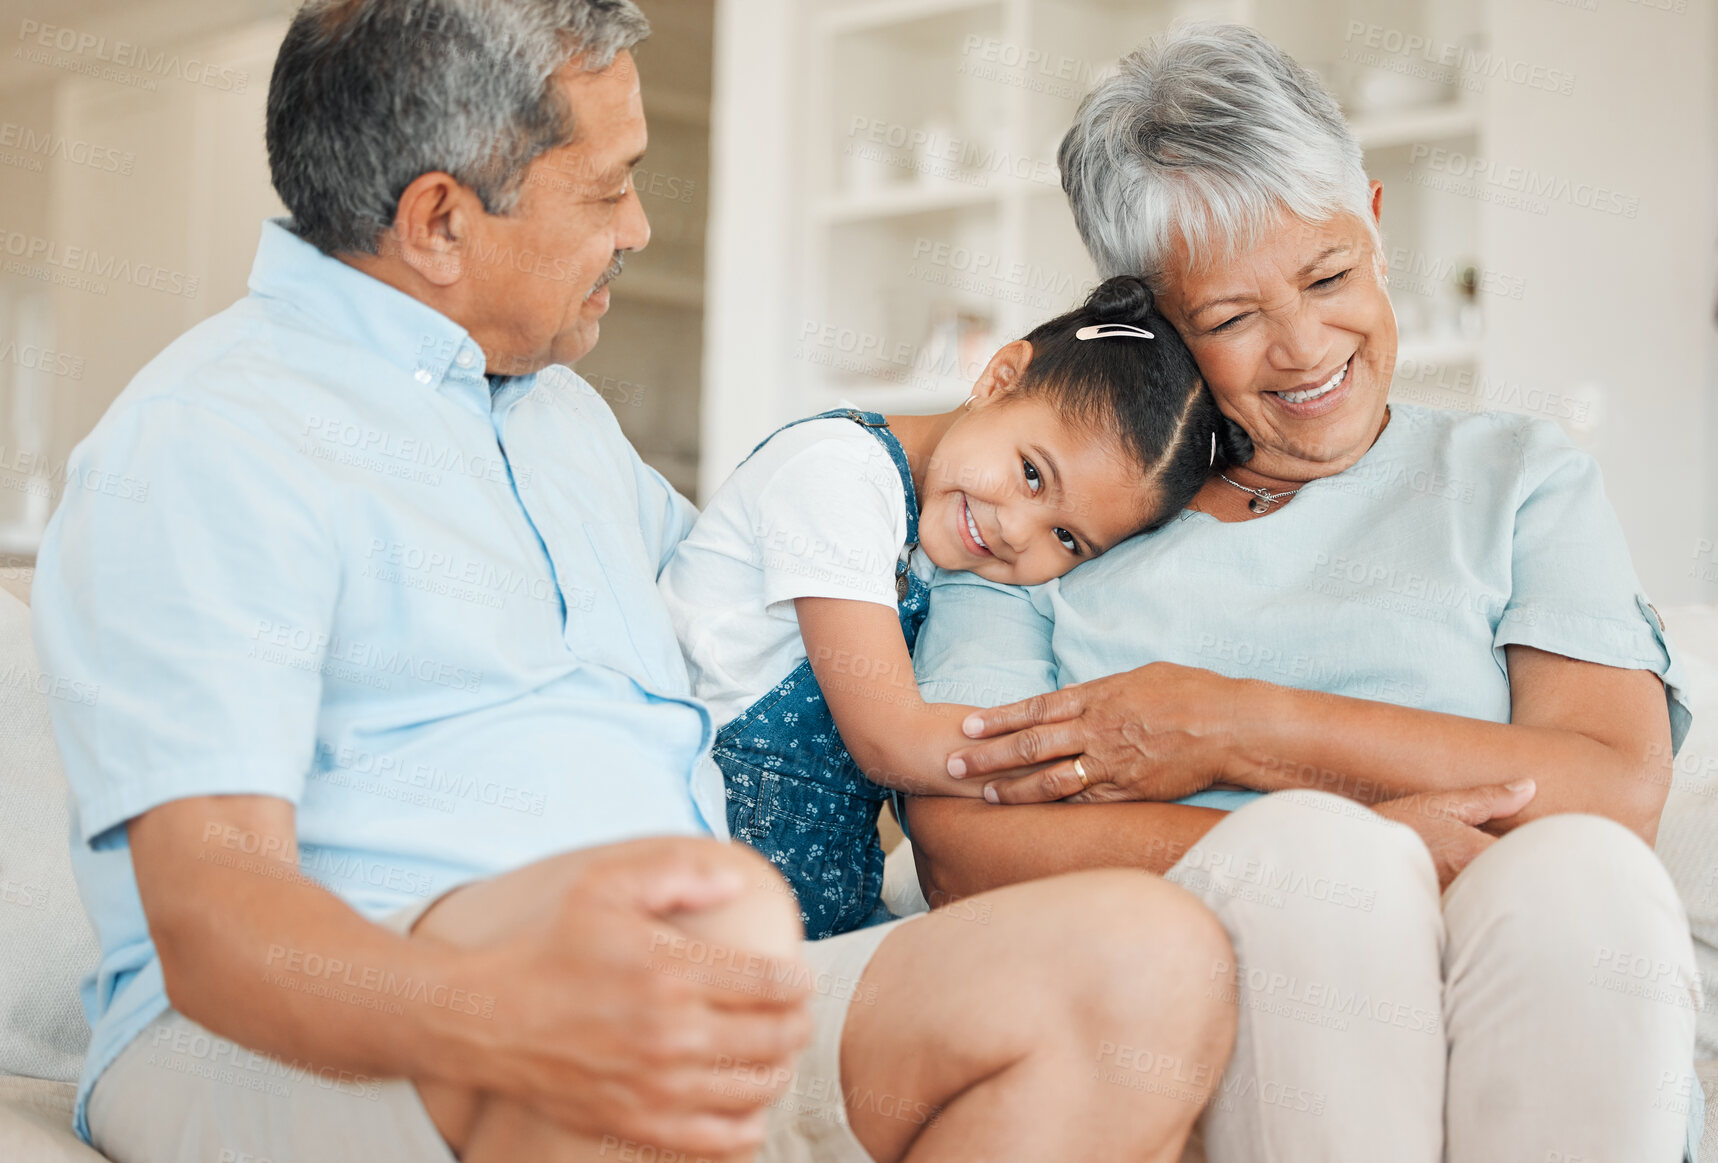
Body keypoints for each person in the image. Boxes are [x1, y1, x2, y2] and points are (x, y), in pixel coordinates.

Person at [29, 3, 1240, 1162]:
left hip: (674, 984)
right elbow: (216, 922)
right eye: (607, 188)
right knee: (676, 931)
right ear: (440, 220)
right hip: (313, 1031)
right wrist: (514, 1013)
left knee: (1142, 963)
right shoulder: (209, 441)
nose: (637, 229)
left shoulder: (557, 417)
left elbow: (750, 627)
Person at [904, 22, 1703, 1163]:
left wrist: (1234, 725)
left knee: (1583, 869)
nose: (1301, 346)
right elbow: (959, 848)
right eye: (1228, 319)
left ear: (1373, 222)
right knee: (1331, 880)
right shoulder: (1043, 519)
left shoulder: (1515, 478)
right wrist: (1330, 852)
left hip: (1510, 975)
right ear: (1151, 330)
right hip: (1220, 1009)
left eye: (1327, 275)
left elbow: (1613, 789)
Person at [661, 275, 1241, 938]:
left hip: (824, 903)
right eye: (1031, 473)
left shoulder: (943, 529)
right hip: (700, 886)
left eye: (1066, 537)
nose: (1017, 531)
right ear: (998, 376)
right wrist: (1100, 762)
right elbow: (893, 739)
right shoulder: (835, 477)